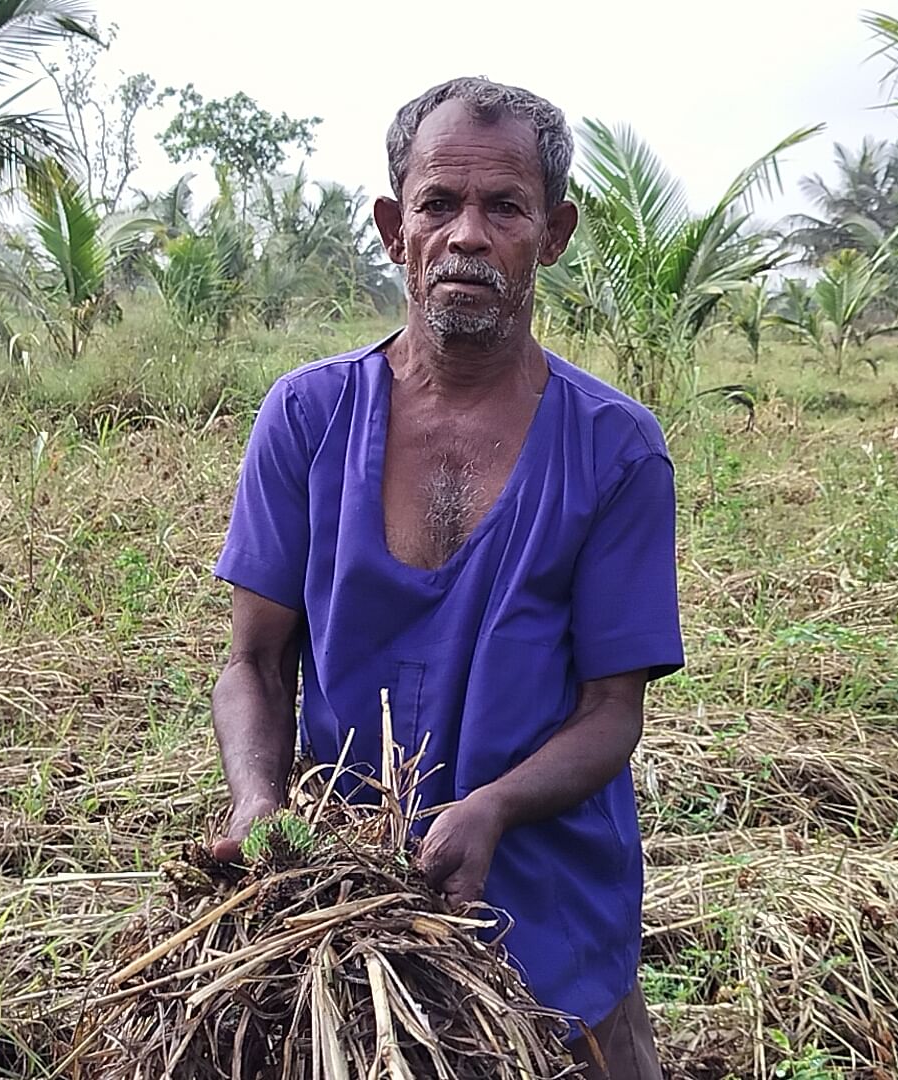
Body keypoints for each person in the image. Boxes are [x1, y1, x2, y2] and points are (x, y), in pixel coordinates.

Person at [207, 76, 683, 1079]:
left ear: (551, 235)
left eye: (503, 207)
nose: (467, 235)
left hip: (549, 907)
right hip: (349, 911)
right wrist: (257, 798)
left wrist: (493, 809)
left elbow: (612, 710)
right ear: (394, 227)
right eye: (438, 204)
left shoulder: (616, 451)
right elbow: (254, 662)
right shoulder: (307, 419)